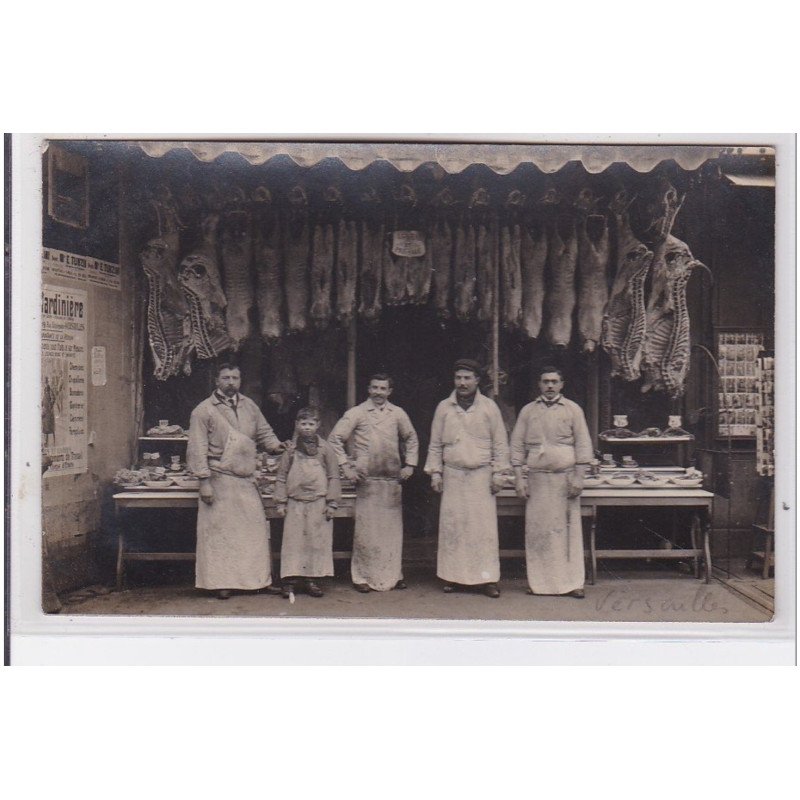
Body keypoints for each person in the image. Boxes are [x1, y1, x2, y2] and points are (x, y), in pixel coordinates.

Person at [186, 362, 286, 599]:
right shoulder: (204, 410)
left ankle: (257, 581)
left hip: (245, 479)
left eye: (235, 378)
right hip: (219, 478)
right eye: (226, 378)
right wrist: (204, 482)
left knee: (255, 531)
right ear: (217, 381)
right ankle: (222, 582)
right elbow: (197, 447)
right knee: (221, 534)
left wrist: (276, 446)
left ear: (240, 381)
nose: (231, 382)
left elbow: (264, 432)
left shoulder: (249, 405)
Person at [424, 359, 510, 598]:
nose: (462, 383)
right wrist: (436, 472)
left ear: (477, 381)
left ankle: (487, 579)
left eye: (467, 378)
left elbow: (501, 443)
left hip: (481, 477)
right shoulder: (444, 407)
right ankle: (453, 577)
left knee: (482, 531)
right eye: (458, 378)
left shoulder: (489, 407)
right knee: (454, 528)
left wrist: (500, 473)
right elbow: (435, 443)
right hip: (453, 475)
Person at [329, 373, 419, 592]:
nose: (379, 392)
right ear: (368, 389)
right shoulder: (357, 413)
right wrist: (346, 467)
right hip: (367, 481)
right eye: (375, 388)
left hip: (391, 480)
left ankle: (394, 575)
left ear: (389, 391)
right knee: (367, 531)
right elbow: (334, 439)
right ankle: (362, 577)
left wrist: (410, 465)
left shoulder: (397, 413)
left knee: (391, 531)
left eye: (383, 389)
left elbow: (411, 438)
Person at [510, 366, 593, 598]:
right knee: (539, 533)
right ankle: (540, 583)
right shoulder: (528, 411)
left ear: (561, 384)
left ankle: (572, 583)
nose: (549, 386)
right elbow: (516, 446)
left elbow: (583, 445)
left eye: (554, 381)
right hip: (537, 480)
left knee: (567, 533)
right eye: (545, 381)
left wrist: (579, 477)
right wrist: (519, 479)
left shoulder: (573, 409)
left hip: (564, 480)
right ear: (539, 384)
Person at [274, 407, 341, 598]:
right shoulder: (291, 450)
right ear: (297, 425)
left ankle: (312, 580)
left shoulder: (326, 449)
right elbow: (281, 476)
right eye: (303, 424)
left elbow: (333, 476)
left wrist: (332, 503)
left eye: (311, 424)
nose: (307, 428)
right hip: (295, 503)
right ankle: (289, 582)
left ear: (318, 425)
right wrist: (280, 501)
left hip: (318, 503)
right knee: (293, 543)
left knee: (316, 542)